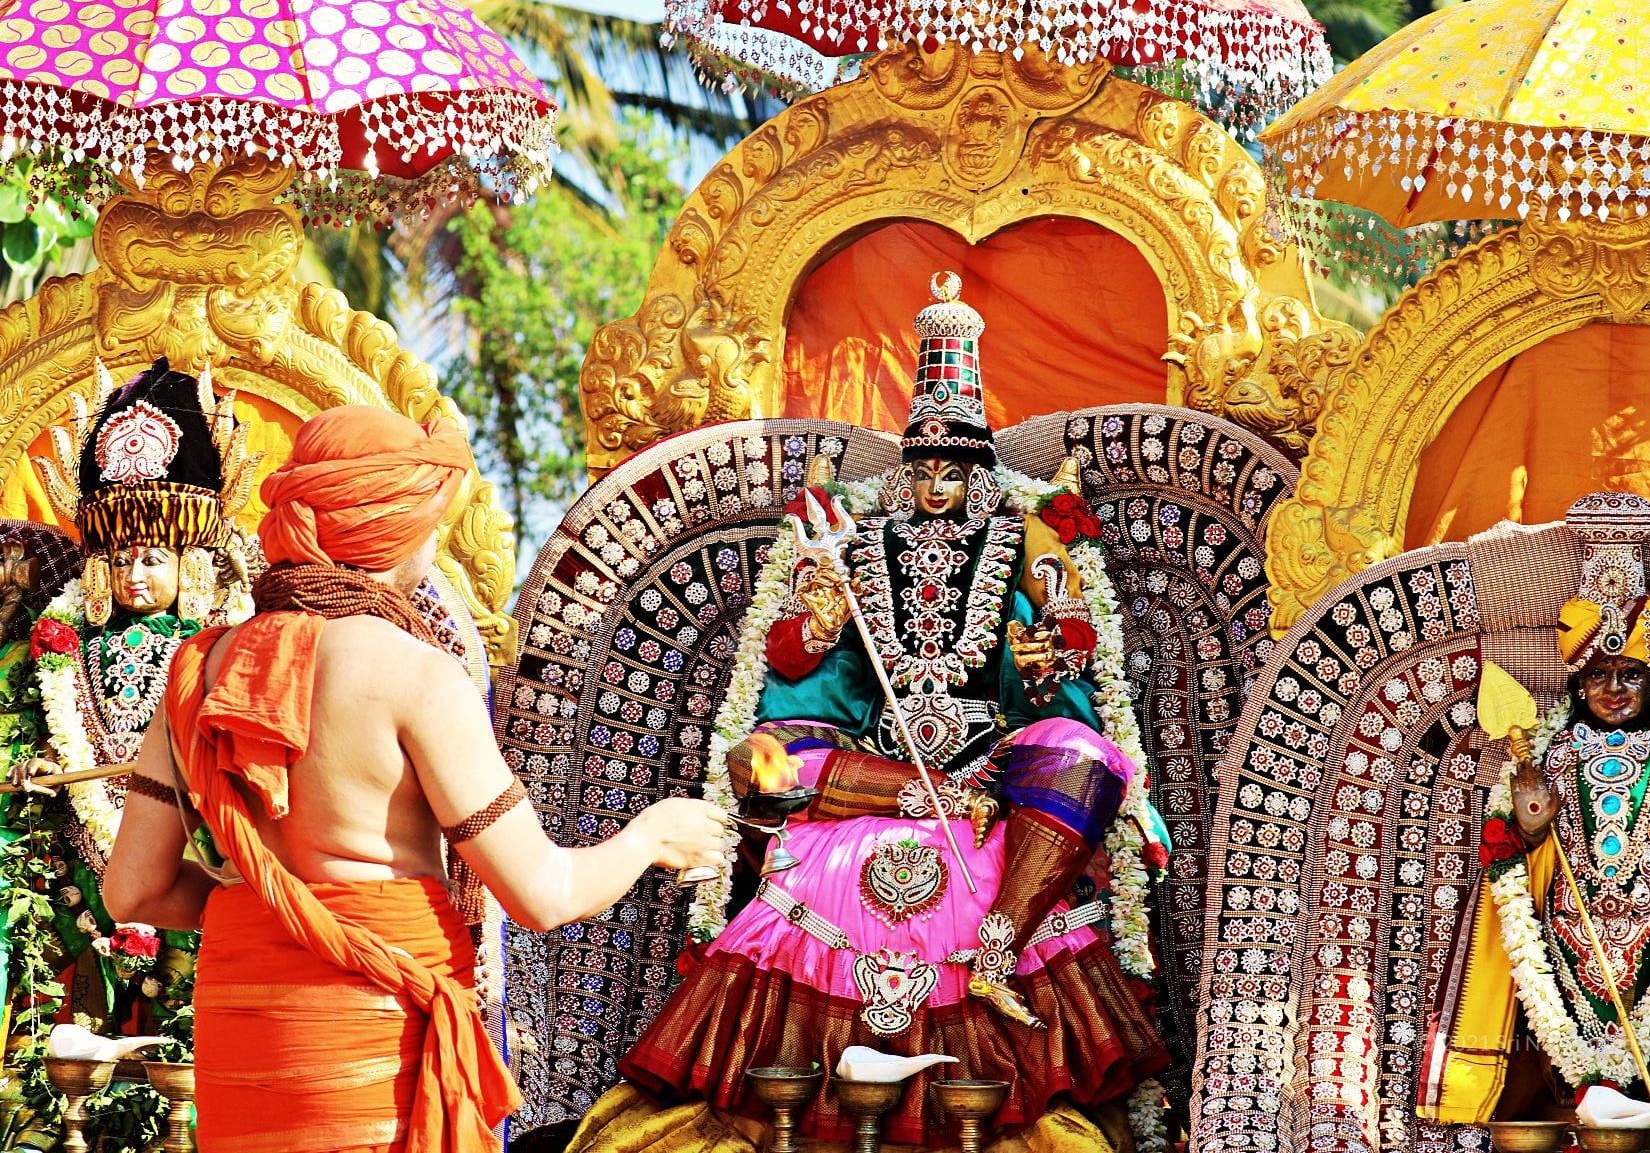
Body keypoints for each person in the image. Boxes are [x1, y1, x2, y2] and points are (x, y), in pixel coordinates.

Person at [610, 274, 1168, 1149]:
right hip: (876, 766)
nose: (938, 486)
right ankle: (920, 800)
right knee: (759, 756)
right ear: (906, 472)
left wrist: (1049, 652)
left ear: (978, 473)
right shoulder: (854, 540)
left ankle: (998, 943)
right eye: (926, 470)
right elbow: (791, 660)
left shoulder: (1020, 535)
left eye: (955, 471)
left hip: (989, 760)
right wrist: (822, 617)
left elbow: (1072, 633)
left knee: (1086, 758)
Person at [102, 405, 729, 1153]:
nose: (436, 540)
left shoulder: (199, 670)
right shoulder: (416, 675)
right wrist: (652, 836)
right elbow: (543, 893)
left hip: (245, 1035)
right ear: (397, 531)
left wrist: (275, 909)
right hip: (378, 1026)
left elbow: (132, 891)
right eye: (433, 521)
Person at [1418, 493, 1650, 1126]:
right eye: (1598, 675)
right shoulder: (1549, 752)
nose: (1614, 689)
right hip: (1565, 934)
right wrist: (1527, 828)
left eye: (1630, 674)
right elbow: (1506, 857)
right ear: (1577, 683)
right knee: (1546, 1049)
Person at [2, 359, 255, 1049]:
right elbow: (30, 720)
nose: (134, 577)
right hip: (80, 848)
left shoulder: (224, 640)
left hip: (193, 839)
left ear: (190, 562)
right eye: (120, 561)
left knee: (190, 1006)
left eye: (152, 560)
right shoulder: (60, 638)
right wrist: (34, 762)